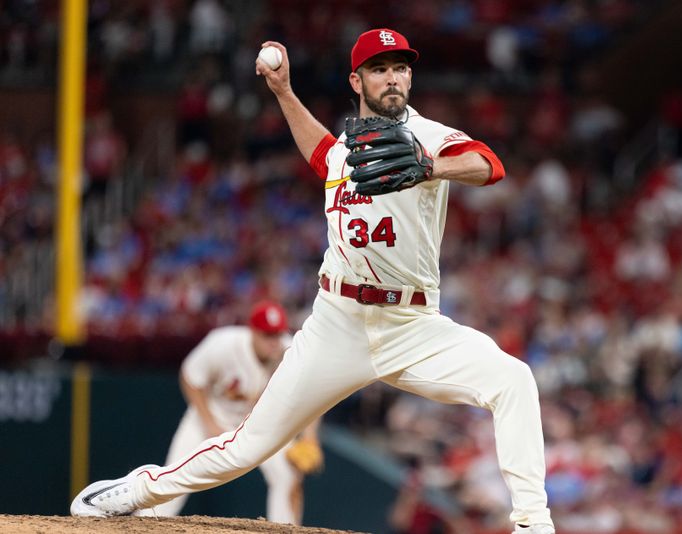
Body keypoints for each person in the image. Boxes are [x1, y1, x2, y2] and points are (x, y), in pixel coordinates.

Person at [70, 28, 555, 534]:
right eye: (380, 68)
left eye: (401, 68)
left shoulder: (427, 136)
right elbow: (323, 156)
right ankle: (138, 489)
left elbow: (488, 164)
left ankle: (533, 525)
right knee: (249, 446)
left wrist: (428, 165)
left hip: (412, 324)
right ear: (357, 79)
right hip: (337, 323)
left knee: (513, 380)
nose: (393, 77)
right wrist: (283, 92)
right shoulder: (346, 146)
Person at [140, 300, 319, 524]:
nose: (274, 342)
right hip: (212, 417)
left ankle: (286, 528)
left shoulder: (291, 350)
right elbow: (190, 378)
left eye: (277, 334)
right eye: (267, 335)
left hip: (258, 424)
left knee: (288, 475)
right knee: (174, 476)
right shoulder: (223, 344)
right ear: (252, 331)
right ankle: (144, 525)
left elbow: (311, 393)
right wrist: (209, 423)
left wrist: (310, 437)